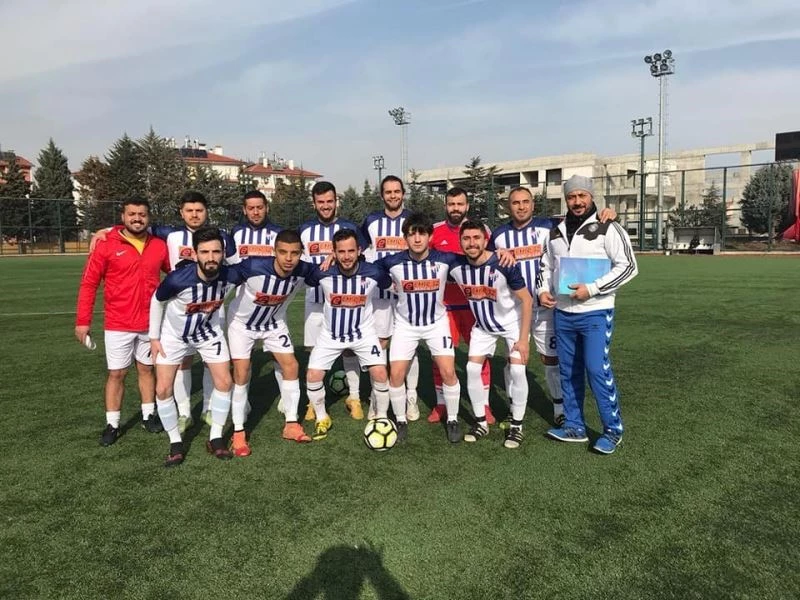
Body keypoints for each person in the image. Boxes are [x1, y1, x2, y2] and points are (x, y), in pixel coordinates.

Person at [491, 188, 616, 427]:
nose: (521, 207)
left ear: (533, 204)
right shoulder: (498, 235)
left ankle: (559, 408)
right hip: (514, 312)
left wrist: (606, 213)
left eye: (525, 202)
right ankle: (513, 407)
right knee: (513, 360)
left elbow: (581, 219)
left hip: (546, 308)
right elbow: (485, 259)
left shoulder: (551, 226)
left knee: (551, 360)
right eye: (515, 203)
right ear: (508, 206)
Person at [537, 175, 638, 454]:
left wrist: (592, 289)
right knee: (568, 370)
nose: (577, 201)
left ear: (591, 197)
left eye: (582, 195)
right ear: (566, 199)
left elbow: (628, 266)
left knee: (596, 369)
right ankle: (574, 426)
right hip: (563, 312)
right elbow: (545, 267)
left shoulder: (608, 227)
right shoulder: (555, 232)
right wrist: (542, 291)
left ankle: (612, 430)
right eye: (572, 197)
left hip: (595, 311)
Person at [75, 198, 170, 445]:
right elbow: (89, 284)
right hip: (118, 322)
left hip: (150, 323)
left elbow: (174, 274)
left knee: (146, 369)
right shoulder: (106, 244)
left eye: (142, 214)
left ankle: (148, 415)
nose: (137, 218)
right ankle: (113, 424)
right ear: (123, 216)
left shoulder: (159, 245)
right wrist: (83, 321)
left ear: (149, 217)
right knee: (117, 373)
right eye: (132, 214)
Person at [148, 226, 236, 467]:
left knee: (225, 382)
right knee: (162, 389)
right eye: (205, 252)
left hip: (208, 334)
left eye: (216, 252)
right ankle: (175, 443)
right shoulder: (178, 279)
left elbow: (267, 265)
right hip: (174, 337)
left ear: (223, 253)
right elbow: (157, 301)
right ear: (195, 253)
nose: (211, 257)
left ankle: (216, 437)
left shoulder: (231, 274)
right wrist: (154, 337)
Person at [374, 213, 464, 443]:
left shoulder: (445, 259)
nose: (416, 238)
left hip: (436, 324)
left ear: (430, 236)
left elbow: (475, 258)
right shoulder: (393, 262)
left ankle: (453, 419)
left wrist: (499, 253)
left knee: (448, 372)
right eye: (411, 234)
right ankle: (400, 420)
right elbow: (368, 269)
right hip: (406, 325)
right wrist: (389, 284)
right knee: (396, 374)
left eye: (421, 233)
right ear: (405, 237)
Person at [225, 229, 314, 455]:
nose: (288, 258)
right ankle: (238, 432)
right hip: (242, 325)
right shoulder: (252, 267)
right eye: (283, 252)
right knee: (242, 370)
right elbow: (222, 278)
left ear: (301, 253)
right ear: (274, 251)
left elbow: (329, 273)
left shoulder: (304, 270)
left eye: (294, 253)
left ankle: (291, 424)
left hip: (273, 324)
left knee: (291, 366)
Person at [448, 220, 533, 449]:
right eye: (466, 239)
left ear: (486, 240)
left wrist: (523, 340)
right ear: (460, 242)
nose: (472, 243)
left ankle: (517, 427)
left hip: (513, 325)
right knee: (471, 369)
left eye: (477, 238)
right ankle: (481, 423)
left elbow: (527, 300)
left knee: (517, 370)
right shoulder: (455, 265)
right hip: (483, 326)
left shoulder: (504, 263)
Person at [304, 229, 393, 441]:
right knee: (313, 376)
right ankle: (322, 417)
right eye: (341, 251)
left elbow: (390, 285)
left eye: (351, 251)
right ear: (334, 253)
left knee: (380, 373)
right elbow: (306, 276)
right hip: (331, 335)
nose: (346, 256)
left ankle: (381, 418)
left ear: (359, 250)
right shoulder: (323, 272)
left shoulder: (373, 272)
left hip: (364, 334)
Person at [299, 181, 367, 421]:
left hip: (344, 301)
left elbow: (362, 257)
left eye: (330, 201)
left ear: (336, 201)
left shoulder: (350, 227)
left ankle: (354, 398)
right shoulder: (304, 230)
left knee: (349, 349)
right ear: (314, 203)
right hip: (315, 300)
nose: (326, 206)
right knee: (314, 352)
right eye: (321, 202)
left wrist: (337, 257)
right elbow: (300, 261)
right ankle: (314, 402)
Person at [429, 187, 493, 424]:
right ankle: (442, 404)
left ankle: (484, 405)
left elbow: (492, 257)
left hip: (475, 305)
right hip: (444, 306)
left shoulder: (481, 230)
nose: (455, 208)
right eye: (451, 204)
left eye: (460, 204)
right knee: (440, 357)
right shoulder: (435, 231)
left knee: (479, 356)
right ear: (445, 206)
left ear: (467, 206)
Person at [361, 175, 419, 418]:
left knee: (410, 345)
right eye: (388, 192)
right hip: (380, 294)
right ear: (382, 195)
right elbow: (359, 250)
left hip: (409, 294)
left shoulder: (413, 219)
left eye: (397, 191)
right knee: (380, 342)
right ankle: (378, 395)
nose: (393, 195)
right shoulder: (371, 221)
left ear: (403, 193)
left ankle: (411, 397)